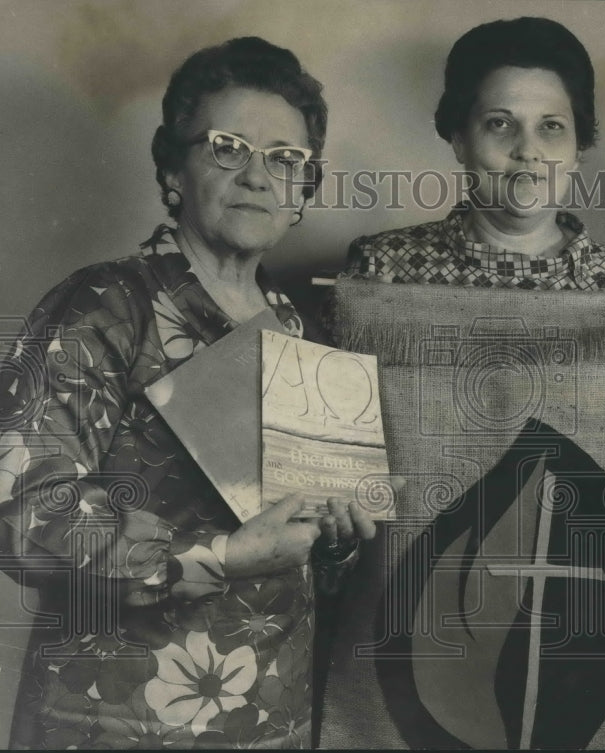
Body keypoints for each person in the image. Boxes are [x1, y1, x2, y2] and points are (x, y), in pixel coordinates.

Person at [0, 37, 376, 748]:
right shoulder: (106, 306)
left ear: (304, 190)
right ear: (173, 166)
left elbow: (306, 557)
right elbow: (22, 511)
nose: (259, 175)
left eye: (285, 159)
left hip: (272, 722)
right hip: (116, 722)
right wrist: (219, 554)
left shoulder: (301, 331)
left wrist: (334, 538)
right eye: (229, 147)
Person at [337, 16, 605, 292]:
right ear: (460, 140)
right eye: (500, 123)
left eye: (551, 126)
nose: (527, 150)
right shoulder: (382, 269)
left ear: (578, 148)